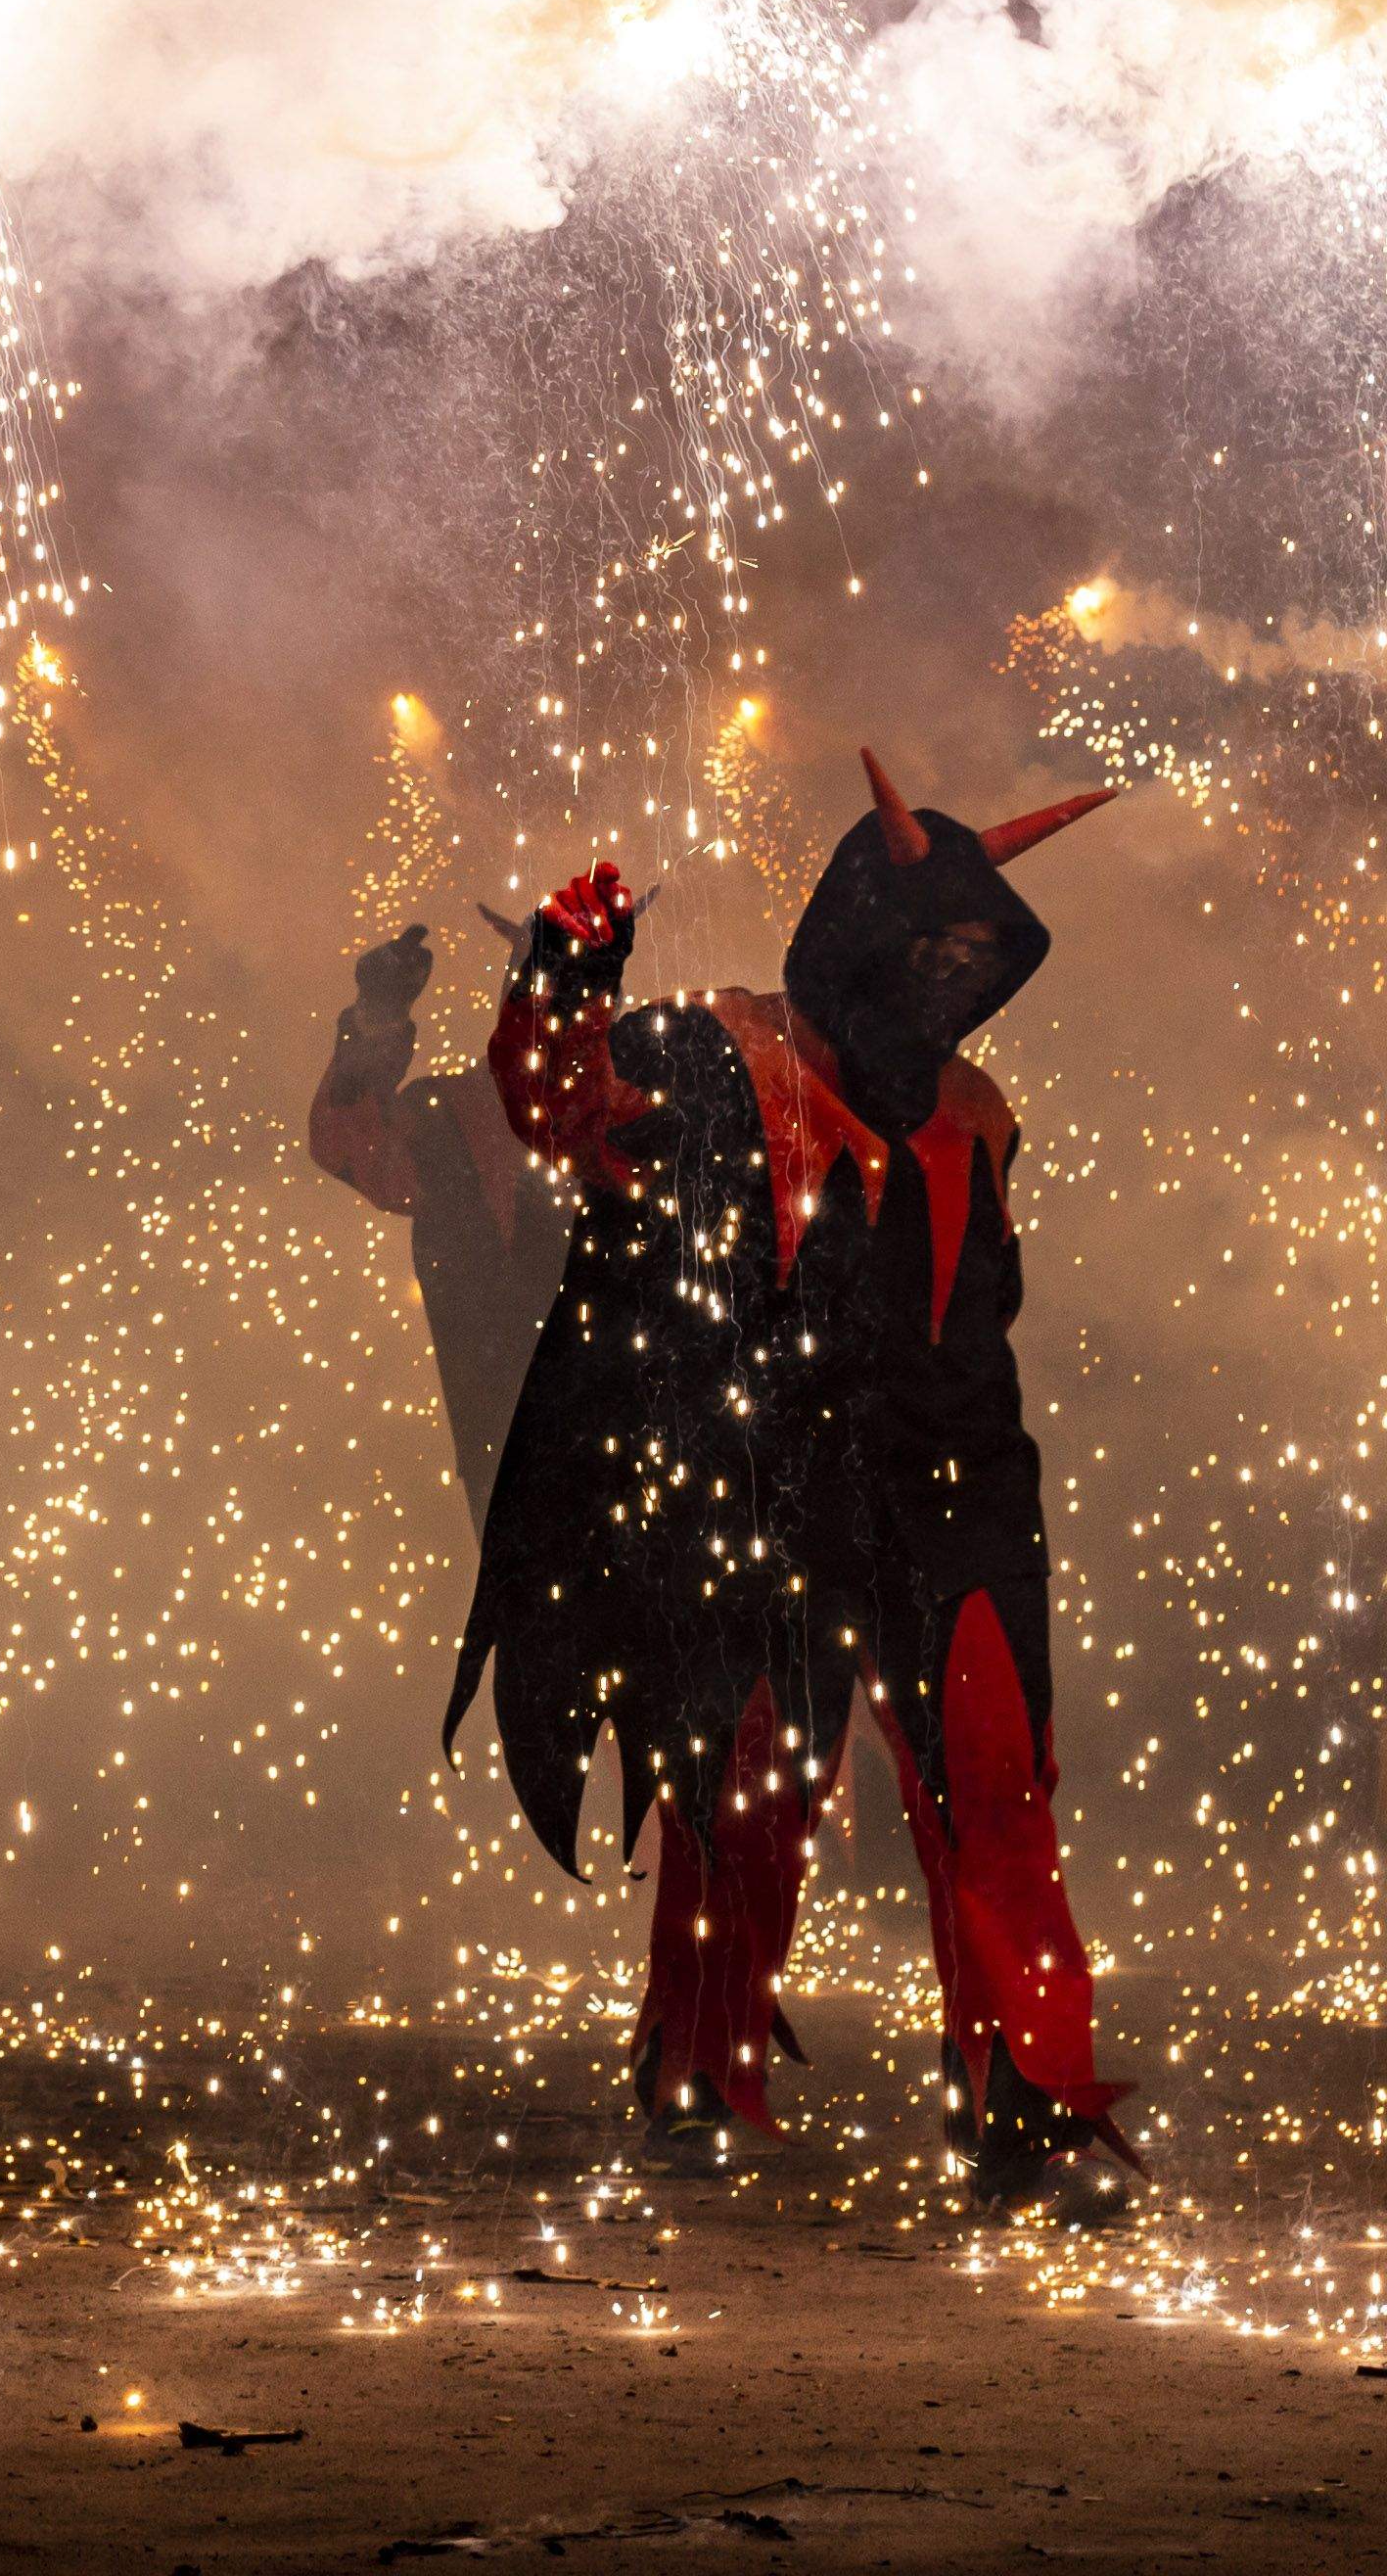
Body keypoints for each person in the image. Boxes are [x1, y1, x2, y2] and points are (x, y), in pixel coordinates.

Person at [447, 755, 1138, 2219]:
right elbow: (563, 1113)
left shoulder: (979, 1113)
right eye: (926, 949)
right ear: (856, 929)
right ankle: (699, 2075)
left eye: (974, 958)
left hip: (956, 1484)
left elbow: (975, 1314)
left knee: (999, 1791)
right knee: (743, 1789)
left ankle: (1026, 2098)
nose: (948, 983)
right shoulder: (719, 1056)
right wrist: (563, 982)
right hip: (762, 1476)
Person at [307, 917, 565, 1525]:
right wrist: (376, 1017)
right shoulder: (453, 1114)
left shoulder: (642, 1112)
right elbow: (342, 1138)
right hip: (517, 1451)